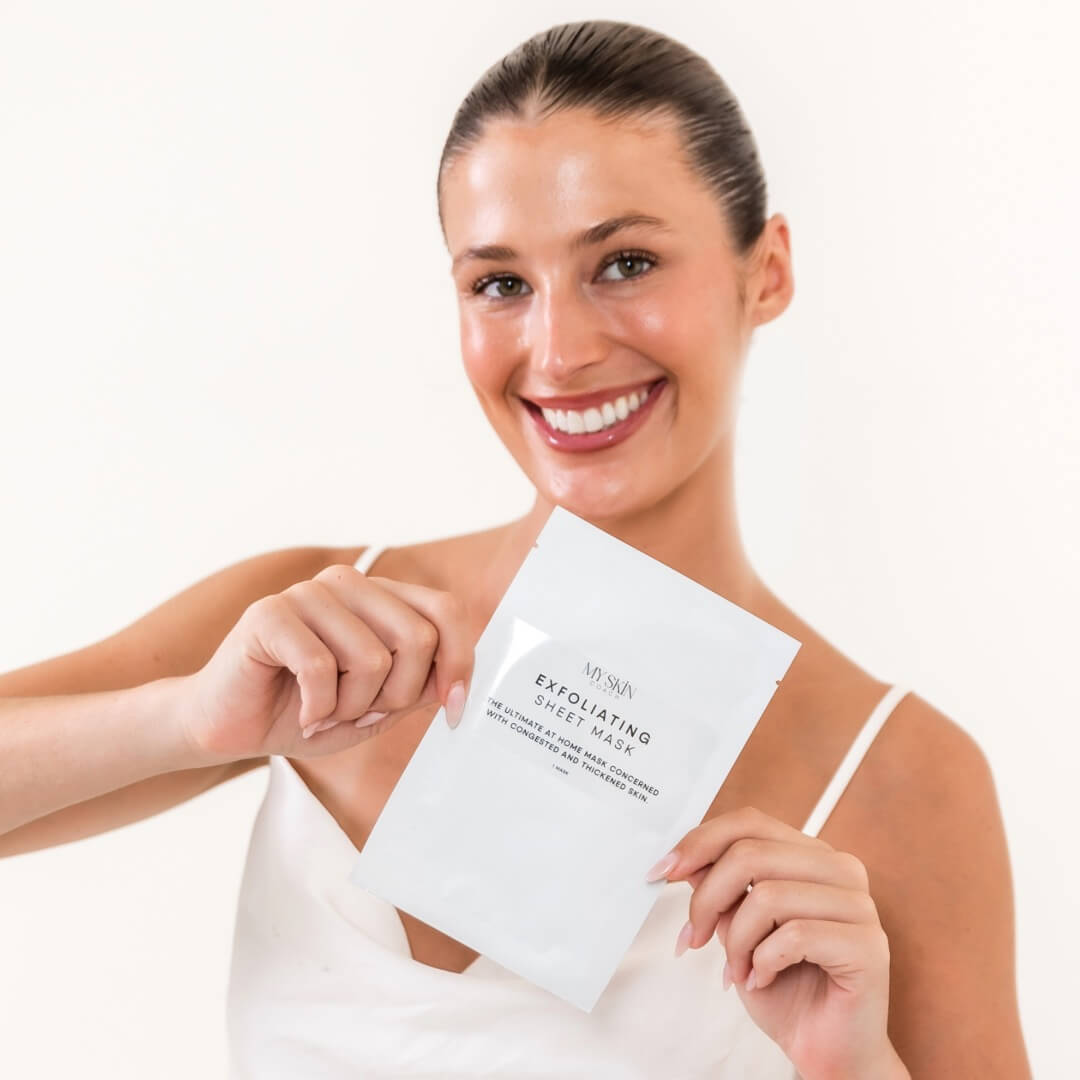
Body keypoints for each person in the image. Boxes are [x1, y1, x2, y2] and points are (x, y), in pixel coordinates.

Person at [0, 18, 1030, 1079]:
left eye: (625, 262)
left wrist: (851, 1068)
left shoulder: (903, 773)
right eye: (500, 284)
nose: (562, 351)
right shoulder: (320, 616)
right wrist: (185, 720)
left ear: (763, 271)